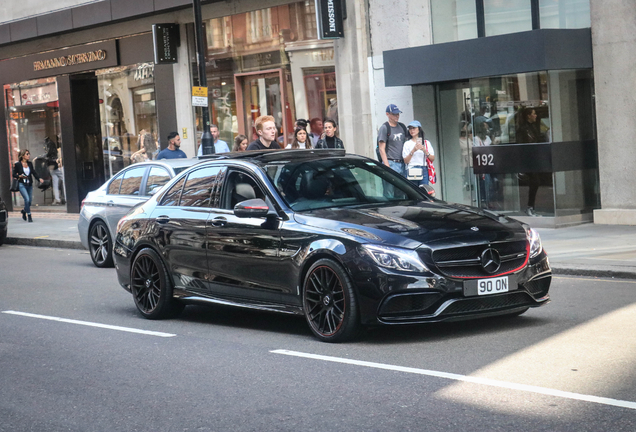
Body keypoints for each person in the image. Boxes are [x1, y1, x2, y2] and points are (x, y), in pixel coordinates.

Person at [517, 107, 549, 216]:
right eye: (533, 114)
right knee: (535, 181)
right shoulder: (523, 129)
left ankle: (531, 207)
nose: (535, 116)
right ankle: (530, 207)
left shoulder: (533, 127)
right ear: (528, 116)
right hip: (528, 159)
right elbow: (521, 146)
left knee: (536, 182)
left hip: (534, 158)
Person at [377, 104, 408, 177]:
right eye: (394, 114)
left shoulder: (402, 127)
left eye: (398, 114)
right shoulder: (385, 128)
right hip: (391, 162)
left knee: (402, 188)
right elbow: (381, 148)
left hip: (403, 163)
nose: (397, 116)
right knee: (389, 188)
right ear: (387, 114)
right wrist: (387, 165)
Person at [13, 149, 43, 222]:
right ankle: (29, 215)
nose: (28, 155)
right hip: (21, 184)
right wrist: (20, 176)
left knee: (29, 201)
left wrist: (39, 179)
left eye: (29, 154)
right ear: (22, 155)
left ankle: (24, 211)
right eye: (27, 154)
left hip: (29, 184)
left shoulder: (30, 164)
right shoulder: (17, 164)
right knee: (26, 199)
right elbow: (13, 174)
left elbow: (33, 172)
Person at [402, 121, 435, 187]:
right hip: (412, 168)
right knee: (413, 191)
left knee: (424, 190)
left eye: (414, 128)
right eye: (410, 129)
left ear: (419, 129)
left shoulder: (426, 142)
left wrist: (425, 150)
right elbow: (406, 161)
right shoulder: (407, 144)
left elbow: (432, 158)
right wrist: (413, 150)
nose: (412, 130)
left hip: (423, 168)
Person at [44, 137, 65, 205]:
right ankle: (64, 198)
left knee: (55, 183)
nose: (59, 140)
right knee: (63, 182)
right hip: (58, 167)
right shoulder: (57, 149)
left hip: (53, 166)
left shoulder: (49, 146)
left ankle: (57, 199)